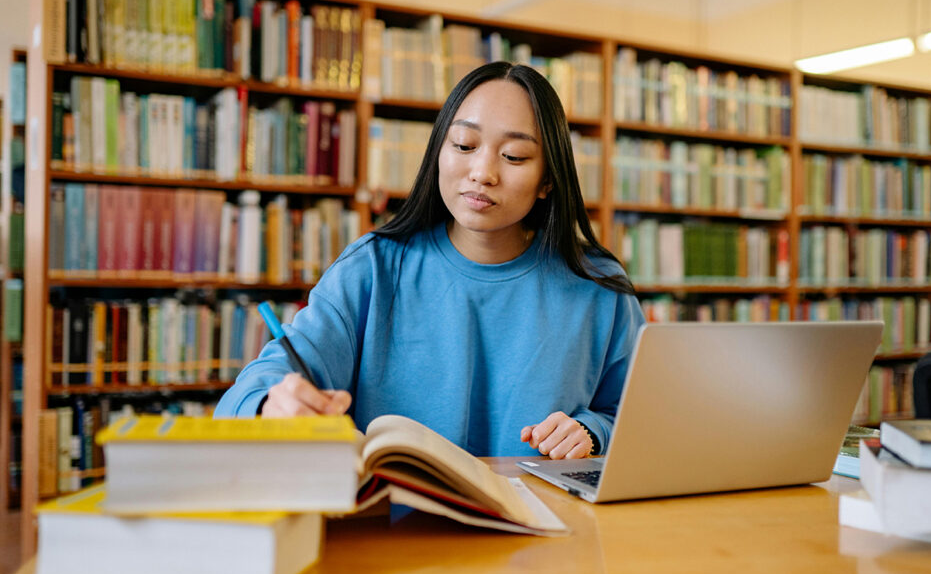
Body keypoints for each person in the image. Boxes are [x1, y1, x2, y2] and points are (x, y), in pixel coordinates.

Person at [215, 61, 645, 458]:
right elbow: (253, 389)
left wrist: (592, 432)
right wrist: (271, 403)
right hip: (394, 530)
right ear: (438, 150)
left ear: (548, 180)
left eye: (513, 156)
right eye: (463, 145)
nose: (482, 172)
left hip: (549, 531)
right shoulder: (373, 269)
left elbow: (642, 418)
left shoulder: (597, 286)